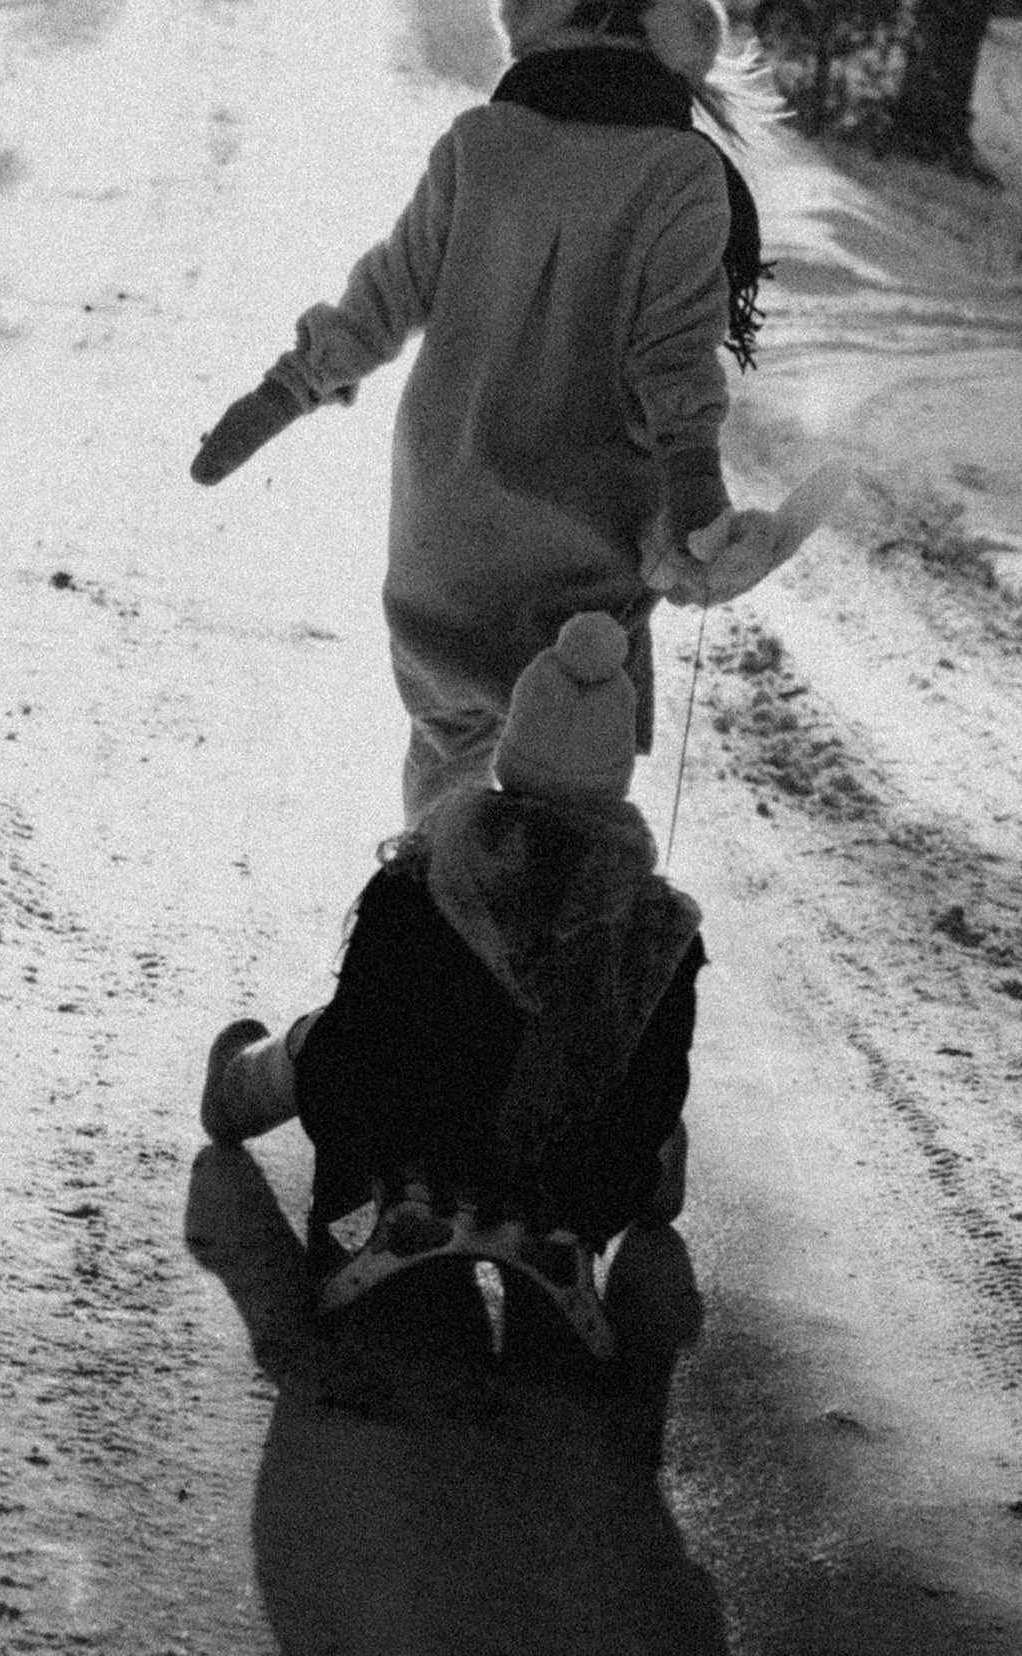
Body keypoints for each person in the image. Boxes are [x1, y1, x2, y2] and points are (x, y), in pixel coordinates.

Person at [192, 0, 779, 819]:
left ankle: (431, 912)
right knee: (567, 772)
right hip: (591, 535)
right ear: (681, 43)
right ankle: (542, 931)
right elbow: (674, 354)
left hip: (445, 525)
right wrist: (694, 484)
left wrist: (288, 388)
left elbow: (384, 295)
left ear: (539, 21)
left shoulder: (480, 142)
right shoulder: (682, 174)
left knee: (445, 750)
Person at [200, 609, 707, 1443]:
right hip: (572, 1184)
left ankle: (238, 1090)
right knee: (636, 1067)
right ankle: (585, 1222)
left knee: (329, 1036)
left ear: (515, 750)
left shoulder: (430, 872)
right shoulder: (658, 928)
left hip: (410, 1151)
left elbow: (358, 1043)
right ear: (615, 774)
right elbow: (659, 1088)